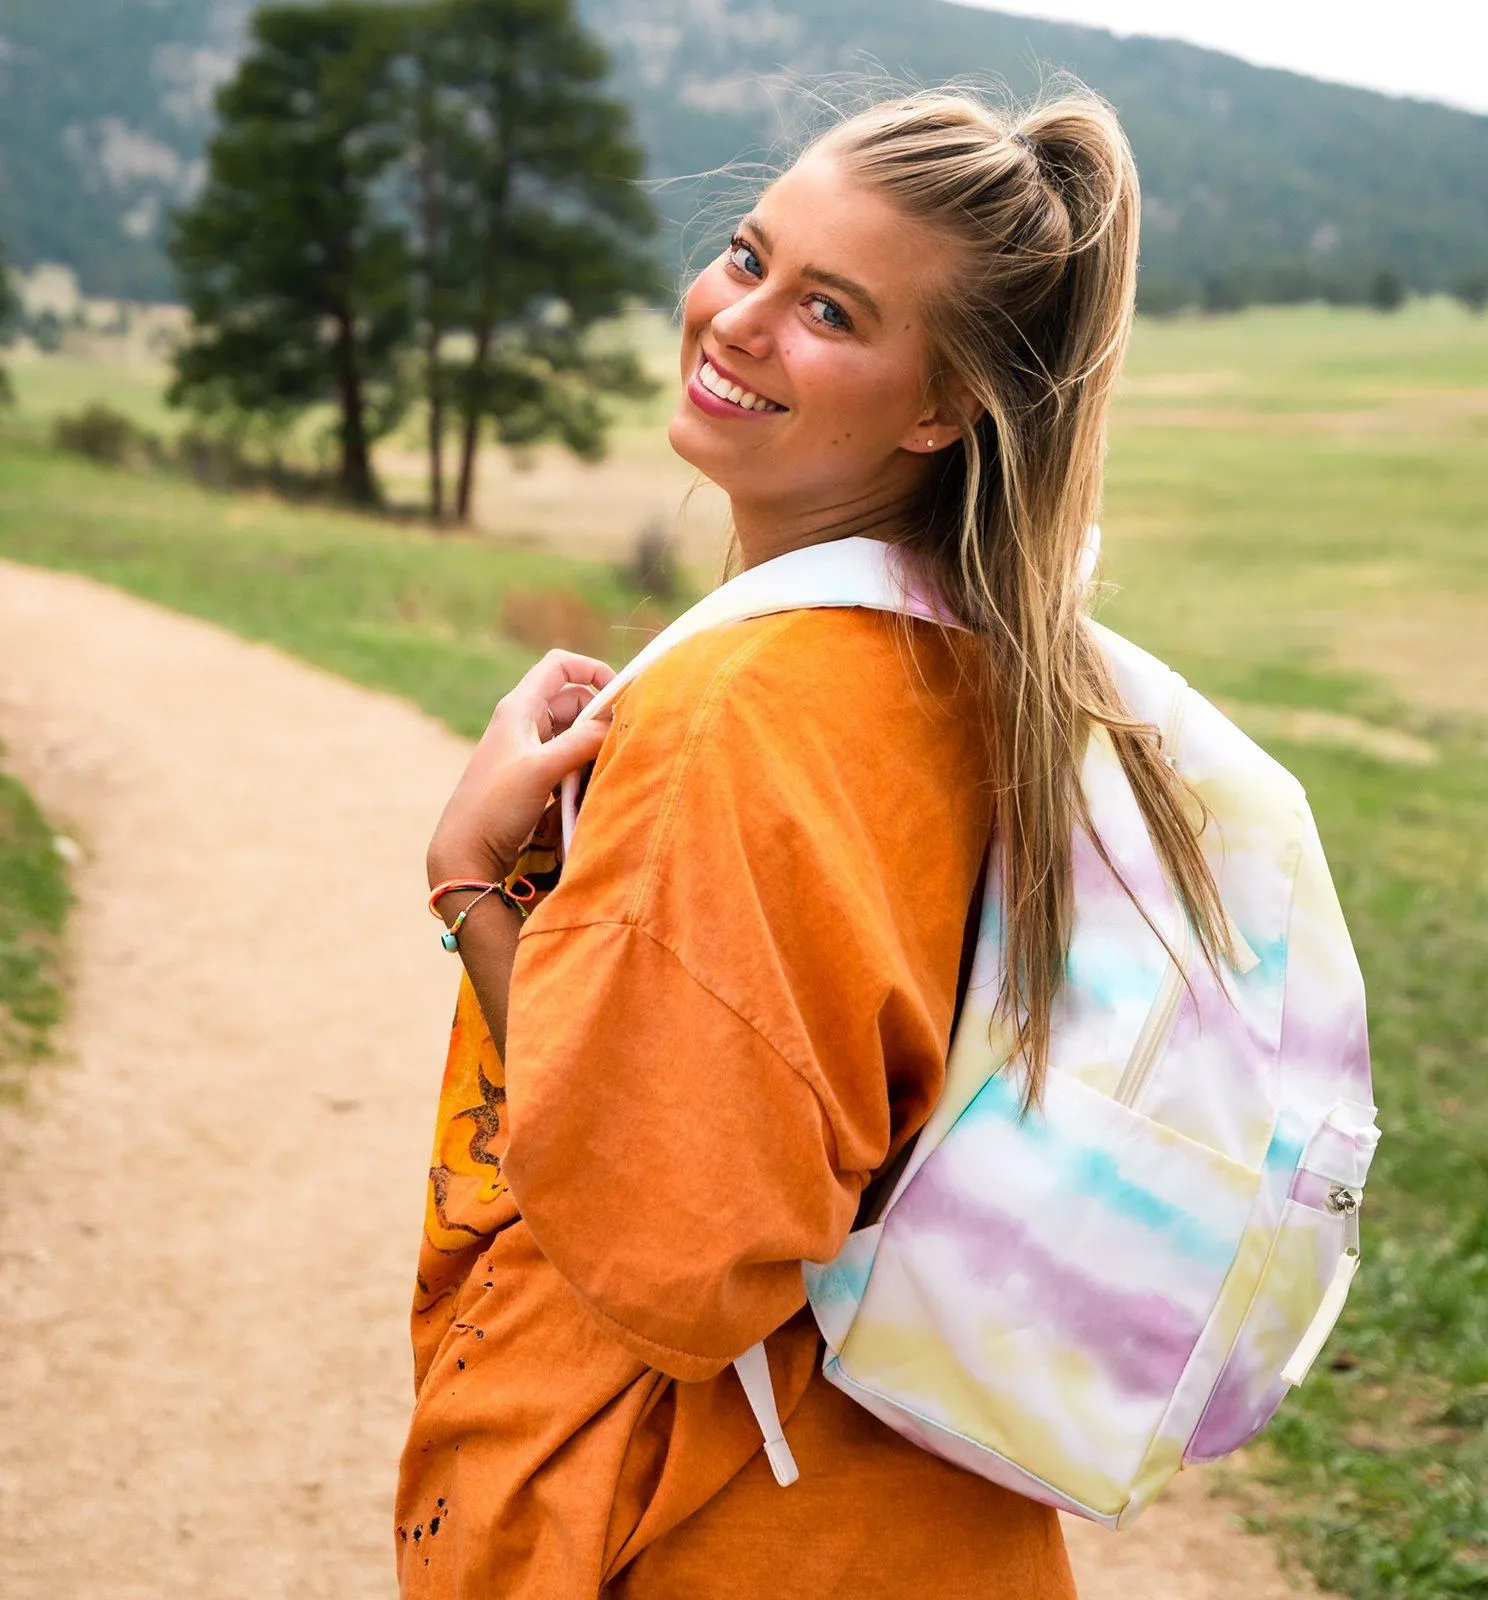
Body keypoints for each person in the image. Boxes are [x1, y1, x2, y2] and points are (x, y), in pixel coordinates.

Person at [397, 85, 1228, 1598]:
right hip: (924, 1517)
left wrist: (472, 884)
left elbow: (677, 1238)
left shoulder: (743, 708)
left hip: (720, 1525)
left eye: (830, 311)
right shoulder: (987, 657)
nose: (733, 318)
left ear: (941, 407)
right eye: (745, 252)